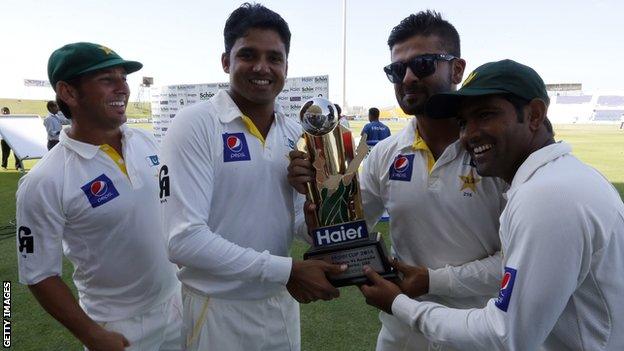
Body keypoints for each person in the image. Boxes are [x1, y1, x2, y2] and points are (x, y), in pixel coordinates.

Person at [360, 59, 624, 350]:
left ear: (534, 115)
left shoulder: (547, 197)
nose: (468, 134)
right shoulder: (558, 179)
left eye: (485, 115)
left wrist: (399, 305)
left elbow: (506, 336)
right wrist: (432, 282)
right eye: (463, 122)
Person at [288, 11, 507, 351]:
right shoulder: (386, 154)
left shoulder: (494, 152)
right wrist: (316, 200)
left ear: (457, 69)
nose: (406, 78)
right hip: (401, 332)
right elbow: (346, 231)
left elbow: (517, 261)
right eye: (396, 69)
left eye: (422, 64)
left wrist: (434, 281)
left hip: (476, 331)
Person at [160, 4, 345, 351]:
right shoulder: (196, 124)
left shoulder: (294, 133)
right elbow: (182, 240)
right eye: (248, 54)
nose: (262, 67)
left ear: (286, 67)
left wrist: (315, 212)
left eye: (274, 58)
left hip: (279, 306)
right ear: (226, 62)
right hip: (217, 310)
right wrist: (286, 270)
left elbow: (294, 225)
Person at [16, 42, 182, 351]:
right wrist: (91, 335)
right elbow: (40, 274)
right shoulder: (44, 180)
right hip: (117, 327)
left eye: (123, 77)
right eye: (107, 79)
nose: (123, 88)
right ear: (68, 92)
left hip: (177, 304)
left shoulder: (146, 142)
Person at [1, 106, 23, 171]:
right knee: (5, 154)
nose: (5, 112)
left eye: (6, 111)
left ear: (9, 112)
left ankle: (18, 166)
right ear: (1, 112)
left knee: (16, 153)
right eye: (3, 111)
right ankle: (4, 166)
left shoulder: (13, 120)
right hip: (4, 139)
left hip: (13, 139)